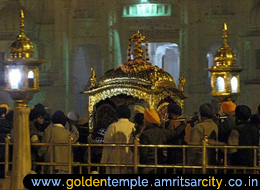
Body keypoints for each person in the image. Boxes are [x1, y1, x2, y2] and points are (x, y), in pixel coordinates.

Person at [139, 108, 186, 174]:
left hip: (149, 166)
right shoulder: (163, 132)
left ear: (147, 121)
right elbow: (175, 133)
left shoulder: (145, 134)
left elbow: (143, 154)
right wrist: (183, 124)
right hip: (161, 166)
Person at [101, 105, 135, 174]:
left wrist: (104, 162)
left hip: (114, 159)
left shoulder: (113, 126)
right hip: (130, 159)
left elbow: (108, 146)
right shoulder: (133, 126)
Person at [188, 103, 218, 170]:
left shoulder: (198, 127)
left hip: (200, 162)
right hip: (212, 161)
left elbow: (193, 148)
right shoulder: (215, 125)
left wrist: (190, 164)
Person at [228, 105, 259, 172]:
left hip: (239, 165)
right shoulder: (255, 129)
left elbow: (232, 149)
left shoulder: (236, 130)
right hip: (253, 164)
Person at [165, 103, 191, 173]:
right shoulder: (186, 123)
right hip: (185, 152)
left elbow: (170, 135)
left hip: (174, 153)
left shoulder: (173, 122)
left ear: (171, 114)